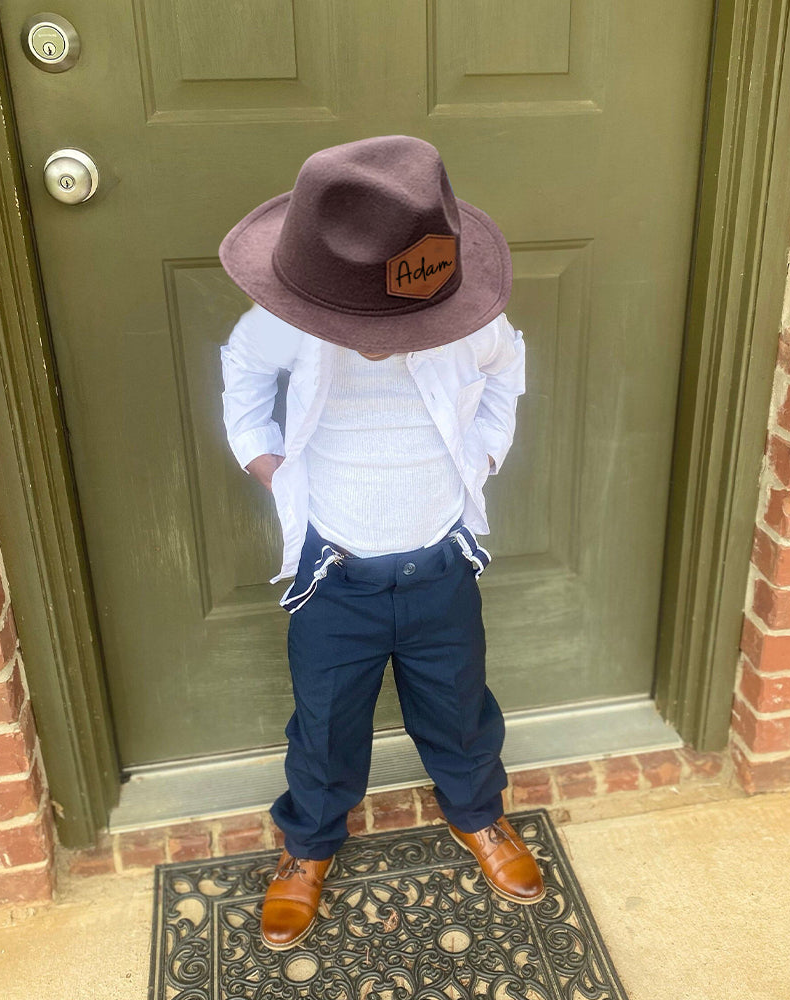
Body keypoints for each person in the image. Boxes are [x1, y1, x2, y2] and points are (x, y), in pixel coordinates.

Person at [218, 134, 543, 952]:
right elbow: (243, 374)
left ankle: (478, 816)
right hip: (338, 577)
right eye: (354, 318)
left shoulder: (470, 324)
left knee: (461, 709)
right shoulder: (280, 326)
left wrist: (489, 451)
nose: (376, 338)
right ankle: (309, 846)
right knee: (325, 724)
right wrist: (265, 460)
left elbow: (508, 371)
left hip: (441, 566)